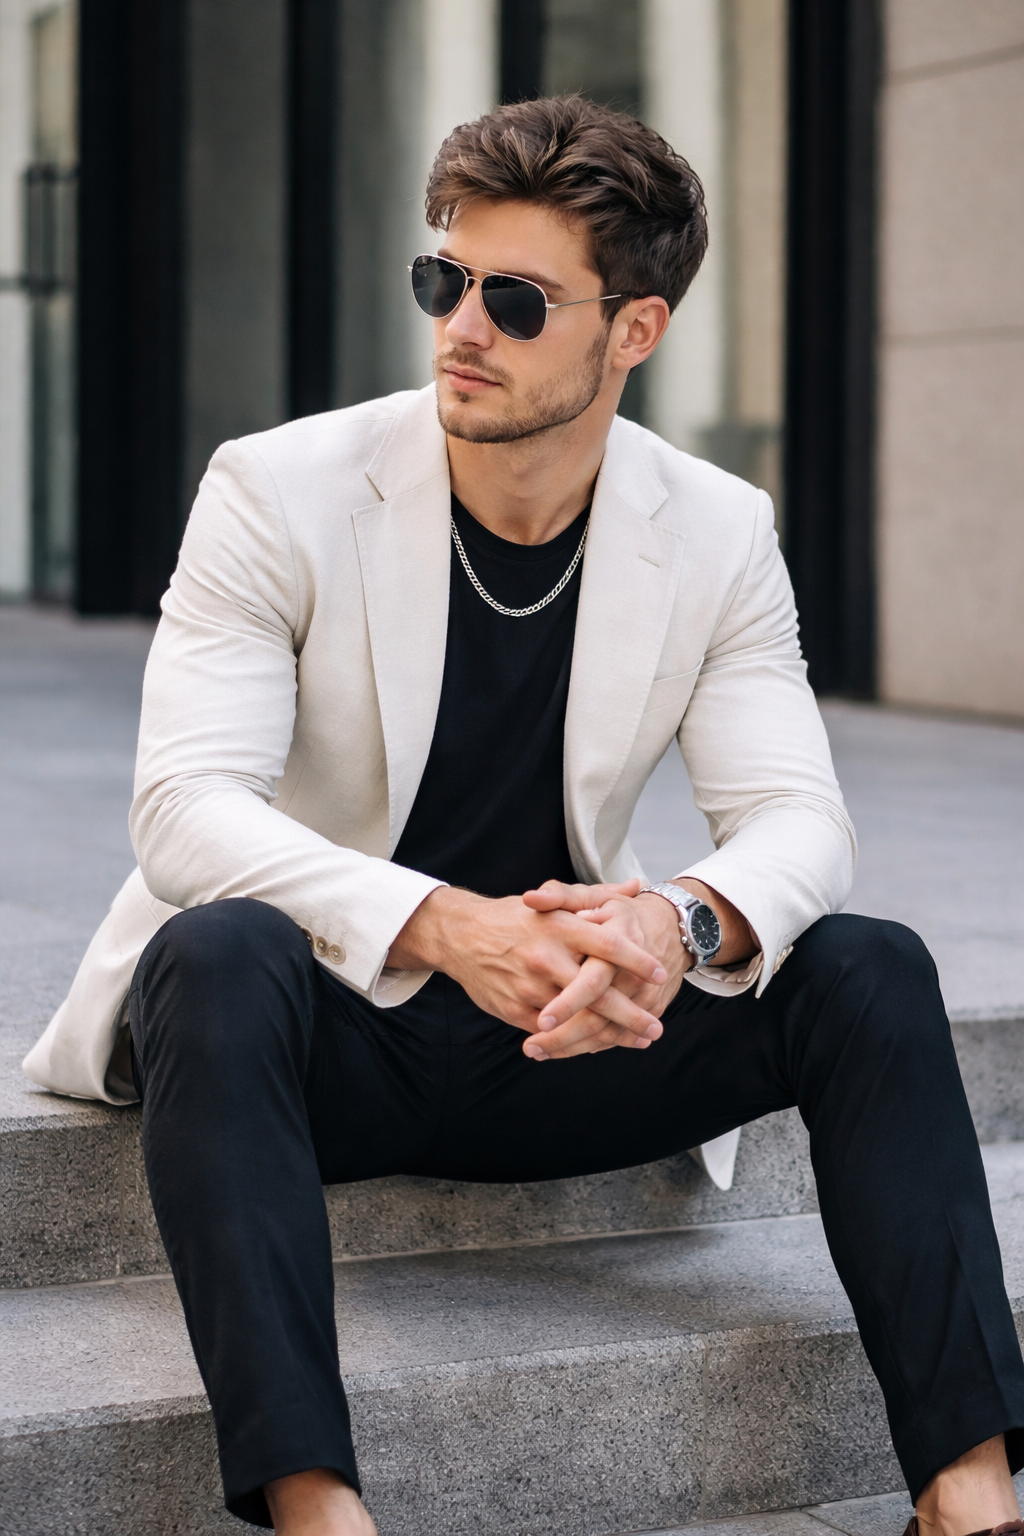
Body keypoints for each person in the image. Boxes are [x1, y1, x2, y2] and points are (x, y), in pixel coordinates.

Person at [23, 96, 1024, 1536]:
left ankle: (968, 1499)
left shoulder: (719, 528)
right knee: (213, 952)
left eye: (516, 299)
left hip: (565, 1035)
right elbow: (182, 809)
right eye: (446, 281)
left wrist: (671, 923)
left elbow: (800, 819)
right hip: (327, 1032)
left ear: (637, 330)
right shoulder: (278, 490)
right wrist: (445, 922)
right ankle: (320, 1510)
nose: (462, 329)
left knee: (872, 968)